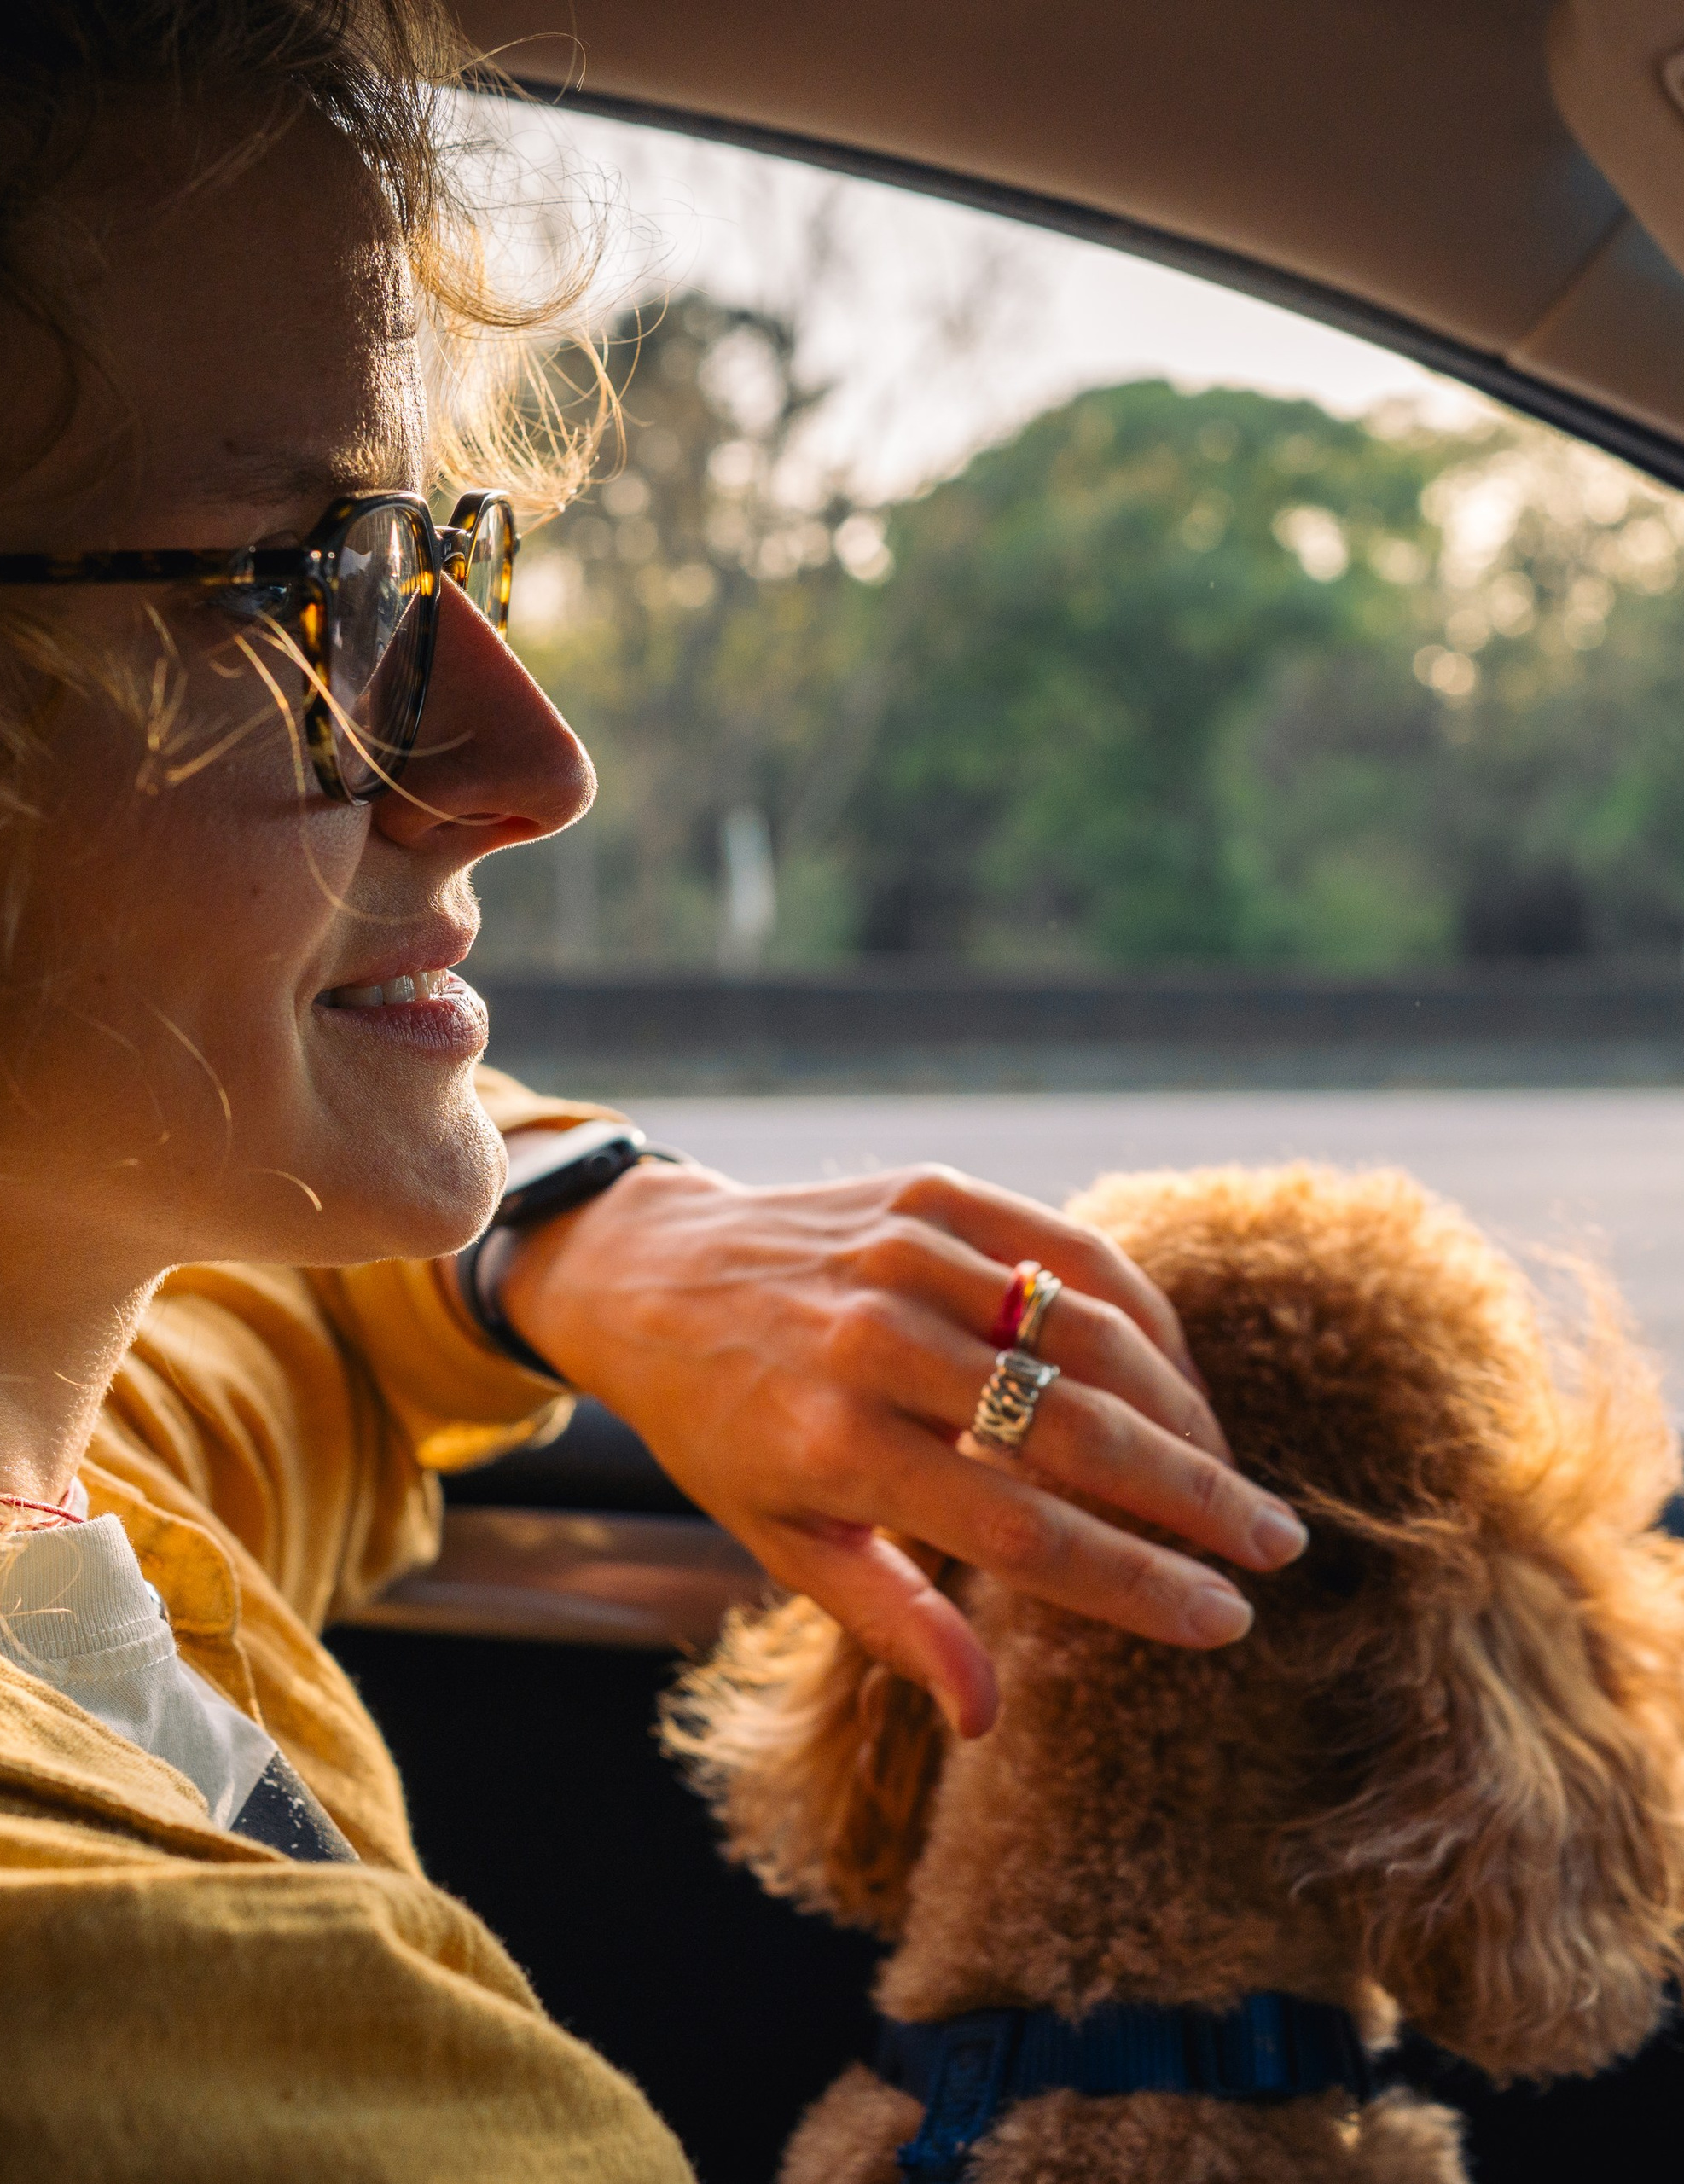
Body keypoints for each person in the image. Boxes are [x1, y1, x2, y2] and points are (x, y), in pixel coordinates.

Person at [0, 3, 1308, 2171]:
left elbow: (325, 1328)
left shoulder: (83, 1450)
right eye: (310, 592)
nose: (529, 760)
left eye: (434, 560)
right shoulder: (132, 2006)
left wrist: (608, 1228)